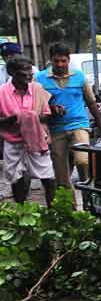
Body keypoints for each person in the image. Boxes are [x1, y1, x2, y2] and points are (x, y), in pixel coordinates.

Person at [36, 43, 101, 191]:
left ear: (68, 60)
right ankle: (70, 209)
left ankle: (88, 198)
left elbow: (92, 103)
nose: (60, 64)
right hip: (55, 130)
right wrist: (51, 109)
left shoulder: (79, 77)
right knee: (61, 175)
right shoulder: (40, 79)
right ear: (51, 60)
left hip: (79, 125)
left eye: (63, 60)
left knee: (83, 161)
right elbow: (36, 107)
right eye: (56, 61)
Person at [0, 56, 56, 204]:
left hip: (37, 142)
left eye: (30, 71)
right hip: (13, 144)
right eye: (24, 71)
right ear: (12, 72)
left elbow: (45, 116)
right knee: (17, 180)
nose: (29, 75)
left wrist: (32, 117)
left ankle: (55, 213)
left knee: (48, 177)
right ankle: (21, 212)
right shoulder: (2, 93)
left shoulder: (37, 89)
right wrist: (15, 118)